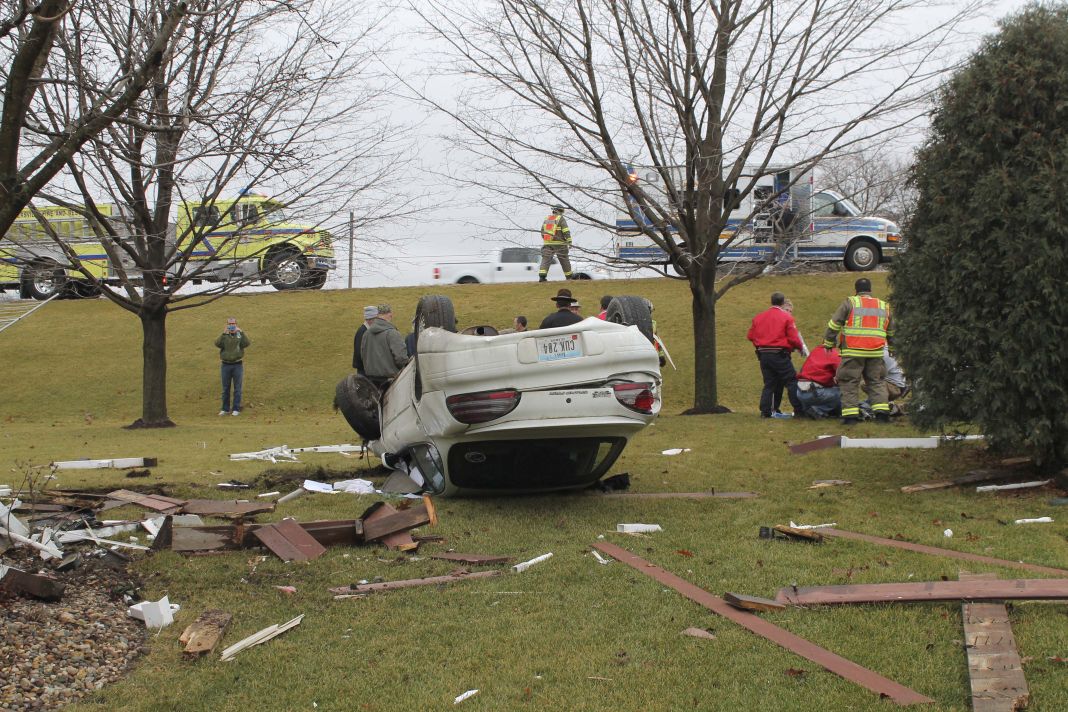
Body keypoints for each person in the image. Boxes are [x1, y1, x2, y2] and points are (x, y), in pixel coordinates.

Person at [823, 277, 894, 425]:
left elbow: (834, 324)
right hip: (875, 351)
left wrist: (829, 342)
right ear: (870, 290)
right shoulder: (883, 306)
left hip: (853, 351)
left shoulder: (850, 303)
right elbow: (892, 331)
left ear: (856, 291)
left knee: (849, 382)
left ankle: (850, 418)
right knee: (877, 382)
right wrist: (892, 348)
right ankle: (882, 415)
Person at [747, 292, 805, 418]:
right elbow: (794, 338)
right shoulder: (786, 318)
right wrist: (800, 348)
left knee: (769, 383)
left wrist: (760, 345)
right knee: (791, 381)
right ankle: (799, 410)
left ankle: (765, 411)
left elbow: (750, 336)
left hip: (763, 355)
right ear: (782, 302)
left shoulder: (759, 317)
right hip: (779, 353)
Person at [360, 303, 409, 390]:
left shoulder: (366, 334)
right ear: (390, 314)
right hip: (391, 383)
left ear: (377, 315)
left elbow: (363, 356)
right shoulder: (392, 333)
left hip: (371, 382)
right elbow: (401, 358)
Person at [214, 317, 250, 416]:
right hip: (225, 365)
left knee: (237, 388)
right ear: (227, 325)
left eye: (233, 323)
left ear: (236, 324)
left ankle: (236, 409)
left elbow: (246, 343)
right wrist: (223, 333)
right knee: (225, 388)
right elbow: (217, 343)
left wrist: (242, 332)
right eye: (230, 324)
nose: (231, 325)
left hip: (237, 364)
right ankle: (225, 409)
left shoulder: (239, 335)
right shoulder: (225, 336)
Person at [796, 345, 842, 418]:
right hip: (813, 392)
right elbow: (842, 373)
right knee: (842, 393)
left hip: (799, 392)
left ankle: (807, 410)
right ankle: (818, 410)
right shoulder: (833, 353)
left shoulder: (816, 350)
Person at [538, 205, 572, 281]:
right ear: (560, 211)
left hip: (548, 244)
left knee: (545, 259)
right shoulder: (561, 219)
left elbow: (542, 231)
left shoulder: (547, 219)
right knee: (564, 259)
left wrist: (547, 240)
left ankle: (542, 277)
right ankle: (569, 277)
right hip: (560, 244)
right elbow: (566, 231)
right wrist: (569, 241)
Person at [352, 305, 377, 375]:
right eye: (376, 319)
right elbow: (359, 354)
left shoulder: (367, 330)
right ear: (370, 319)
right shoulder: (362, 332)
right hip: (364, 371)